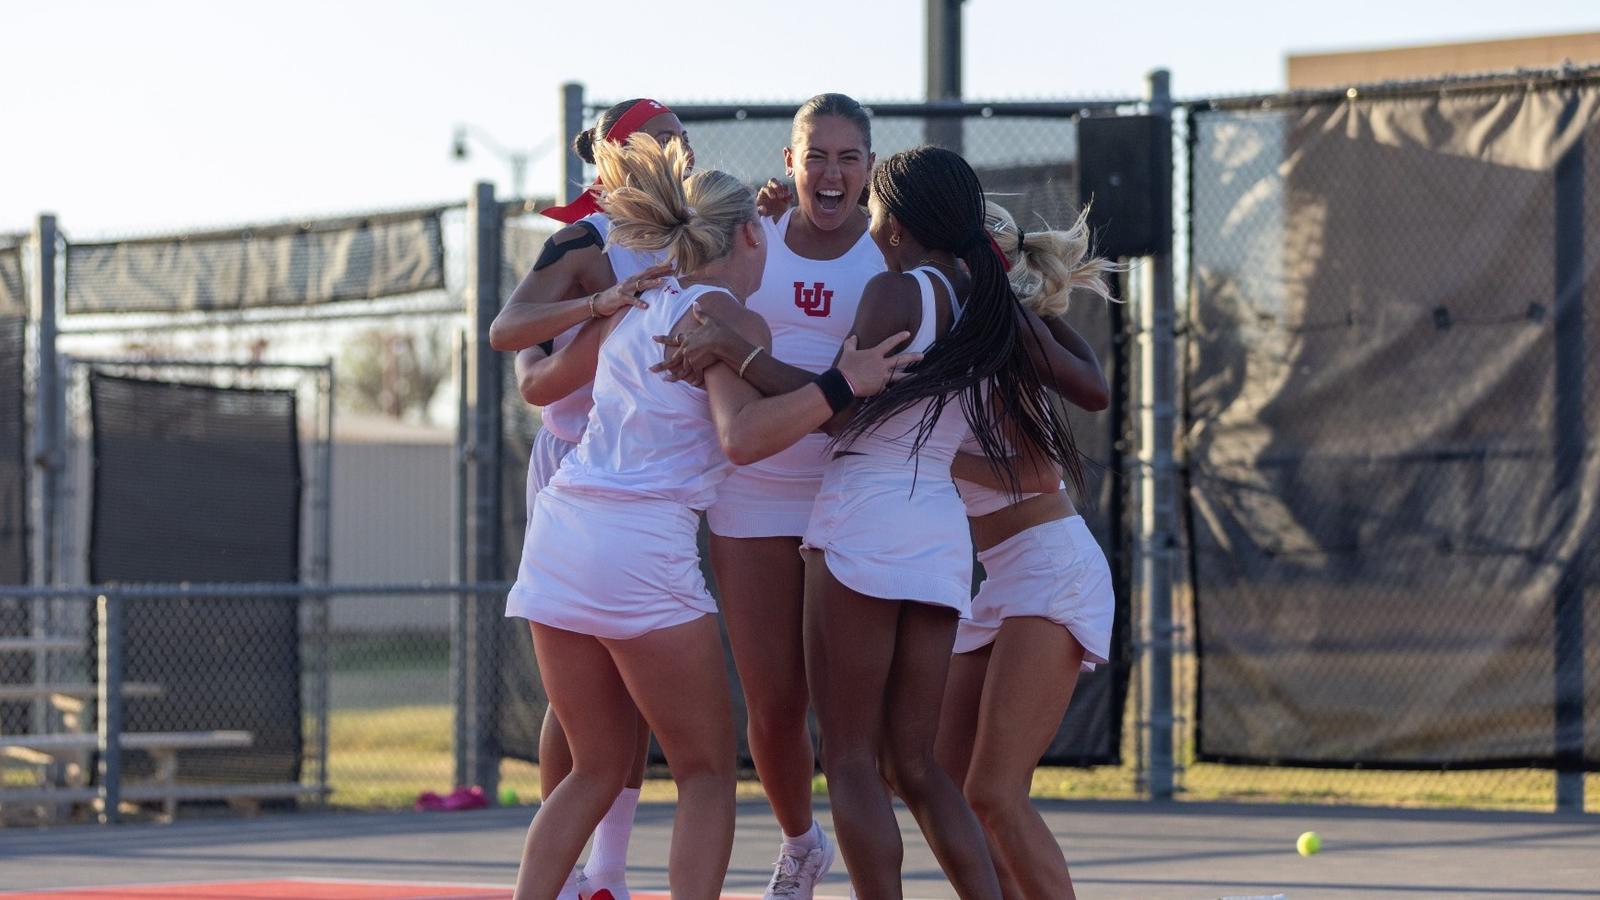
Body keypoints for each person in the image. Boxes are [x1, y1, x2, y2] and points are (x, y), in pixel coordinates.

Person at [659, 146, 1087, 899]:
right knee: (916, 767)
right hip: (940, 539)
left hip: (866, 519)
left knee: (851, 758)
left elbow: (841, 409)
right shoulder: (983, 301)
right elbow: (1082, 382)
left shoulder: (895, 292)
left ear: (901, 221)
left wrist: (737, 349)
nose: (870, 222)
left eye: (878, 208)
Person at [504, 133, 919, 900]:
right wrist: (845, 380)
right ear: (752, 236)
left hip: (560, 534)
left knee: (593, 768)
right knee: (703, 774)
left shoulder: (638, 301)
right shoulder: (730, 317)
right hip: (639, 545)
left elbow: (538, 371)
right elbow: (744, 438)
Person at [691, 92, 887, 900]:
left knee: (849, 725)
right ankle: (801, 846)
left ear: (871, 168)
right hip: (753, 496)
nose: (831, 173)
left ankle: (879, 868)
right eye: (817, 156)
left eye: (848, 157)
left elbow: (870, 393)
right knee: (772, 706)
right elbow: (685, 311)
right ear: (789, 164)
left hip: (849, 497)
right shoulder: (749, 239)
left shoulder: (892, 258)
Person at [491, 97, 682, 900]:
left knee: (633, 687)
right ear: (615, 157)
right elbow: (519, 350)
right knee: (583, 692)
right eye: (660, 146)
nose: (678, 159)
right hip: (580, 465)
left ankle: (607, 874)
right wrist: (602, 306)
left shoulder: (693, 230)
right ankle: (568, 873)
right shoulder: (583, 238)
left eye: (683, 145)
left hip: (655, 466)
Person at [934, 201, 1119, 900]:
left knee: (994, 790)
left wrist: (928, 460)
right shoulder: (971, 330)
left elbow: (1040, 473)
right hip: (1005, 580)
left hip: (1050, 569)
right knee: (947, 780)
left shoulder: (999, 339)